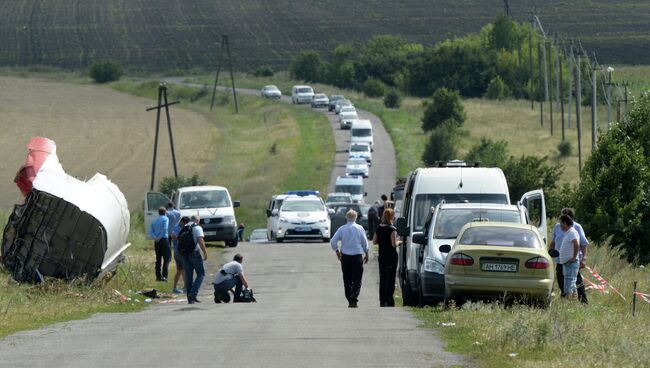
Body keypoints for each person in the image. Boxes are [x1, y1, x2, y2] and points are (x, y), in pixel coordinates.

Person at [549, 208, 590, 304]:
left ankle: (583, 302)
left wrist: (583, 259)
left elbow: (583, 244)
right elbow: (554, 241)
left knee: (576, 281)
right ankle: (565, 300)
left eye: (563, 218)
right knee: (561, 280)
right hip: (560, 260)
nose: (560, 222)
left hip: (572, 261)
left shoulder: (577, 228)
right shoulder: (557, 227)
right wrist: (550, 252)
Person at [330, 209, 370, 308]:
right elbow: (365, 242)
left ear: (346, 218)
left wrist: (337, 251)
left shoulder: (342, 229)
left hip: (345, 257)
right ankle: (354, 298)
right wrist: (366, 253)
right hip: (357, 256)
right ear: (356, 218)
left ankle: (349, 298)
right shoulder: (360, 228)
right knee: (357, 280)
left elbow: (333, 241)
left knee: (347, 279)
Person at [373, 208, 401, 307]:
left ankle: (382, 300)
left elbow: (374, 241)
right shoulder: (392, 229)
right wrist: (399, 242)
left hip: (382, 256)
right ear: (391, 217)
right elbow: (394, 244)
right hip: (391, 257)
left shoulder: (378, 228)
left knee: (383, 278)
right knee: (390, 279)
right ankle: (389, 300)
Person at [183, 215, 208, 304]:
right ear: (197, 220)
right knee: (201, 274)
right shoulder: (197, 227)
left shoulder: (185, 226)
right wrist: (205, 253)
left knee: (188, 276)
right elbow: (200, 240)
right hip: (194, 253)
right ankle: (193, 294)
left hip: (185, 253)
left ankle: (190, 298)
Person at [558, 214, 580, 299]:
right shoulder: (568, 233)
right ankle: (573, 299)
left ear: (565, 223)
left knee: (569, 283)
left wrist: (574, 257)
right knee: (569, 282)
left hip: (571, 263)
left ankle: (568, 300)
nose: (560, 225)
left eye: (561, 223)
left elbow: (576, 244)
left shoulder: (572, 232)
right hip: (567, 263)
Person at [149, 207, 170, 282]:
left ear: (158, 212)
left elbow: (151, 231)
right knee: (166, 258)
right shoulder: (165, 219)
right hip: (163, 239)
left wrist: (155, 238)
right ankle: (164, 276)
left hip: (156, 241)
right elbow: (165, 229)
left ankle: (158, 276)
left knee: (158, 259)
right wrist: (160, 237)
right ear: (165, 212)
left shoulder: (154, 220)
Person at [170, 216, 190, 293]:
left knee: (179, 270)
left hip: (176, 252)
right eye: (185, 223)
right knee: (184, 270)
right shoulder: (178, 228)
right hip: (180, 252)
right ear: (182, 222)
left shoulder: (176, 227)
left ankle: (175, 288)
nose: (186, 225)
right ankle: (185, 287)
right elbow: (175, 237)